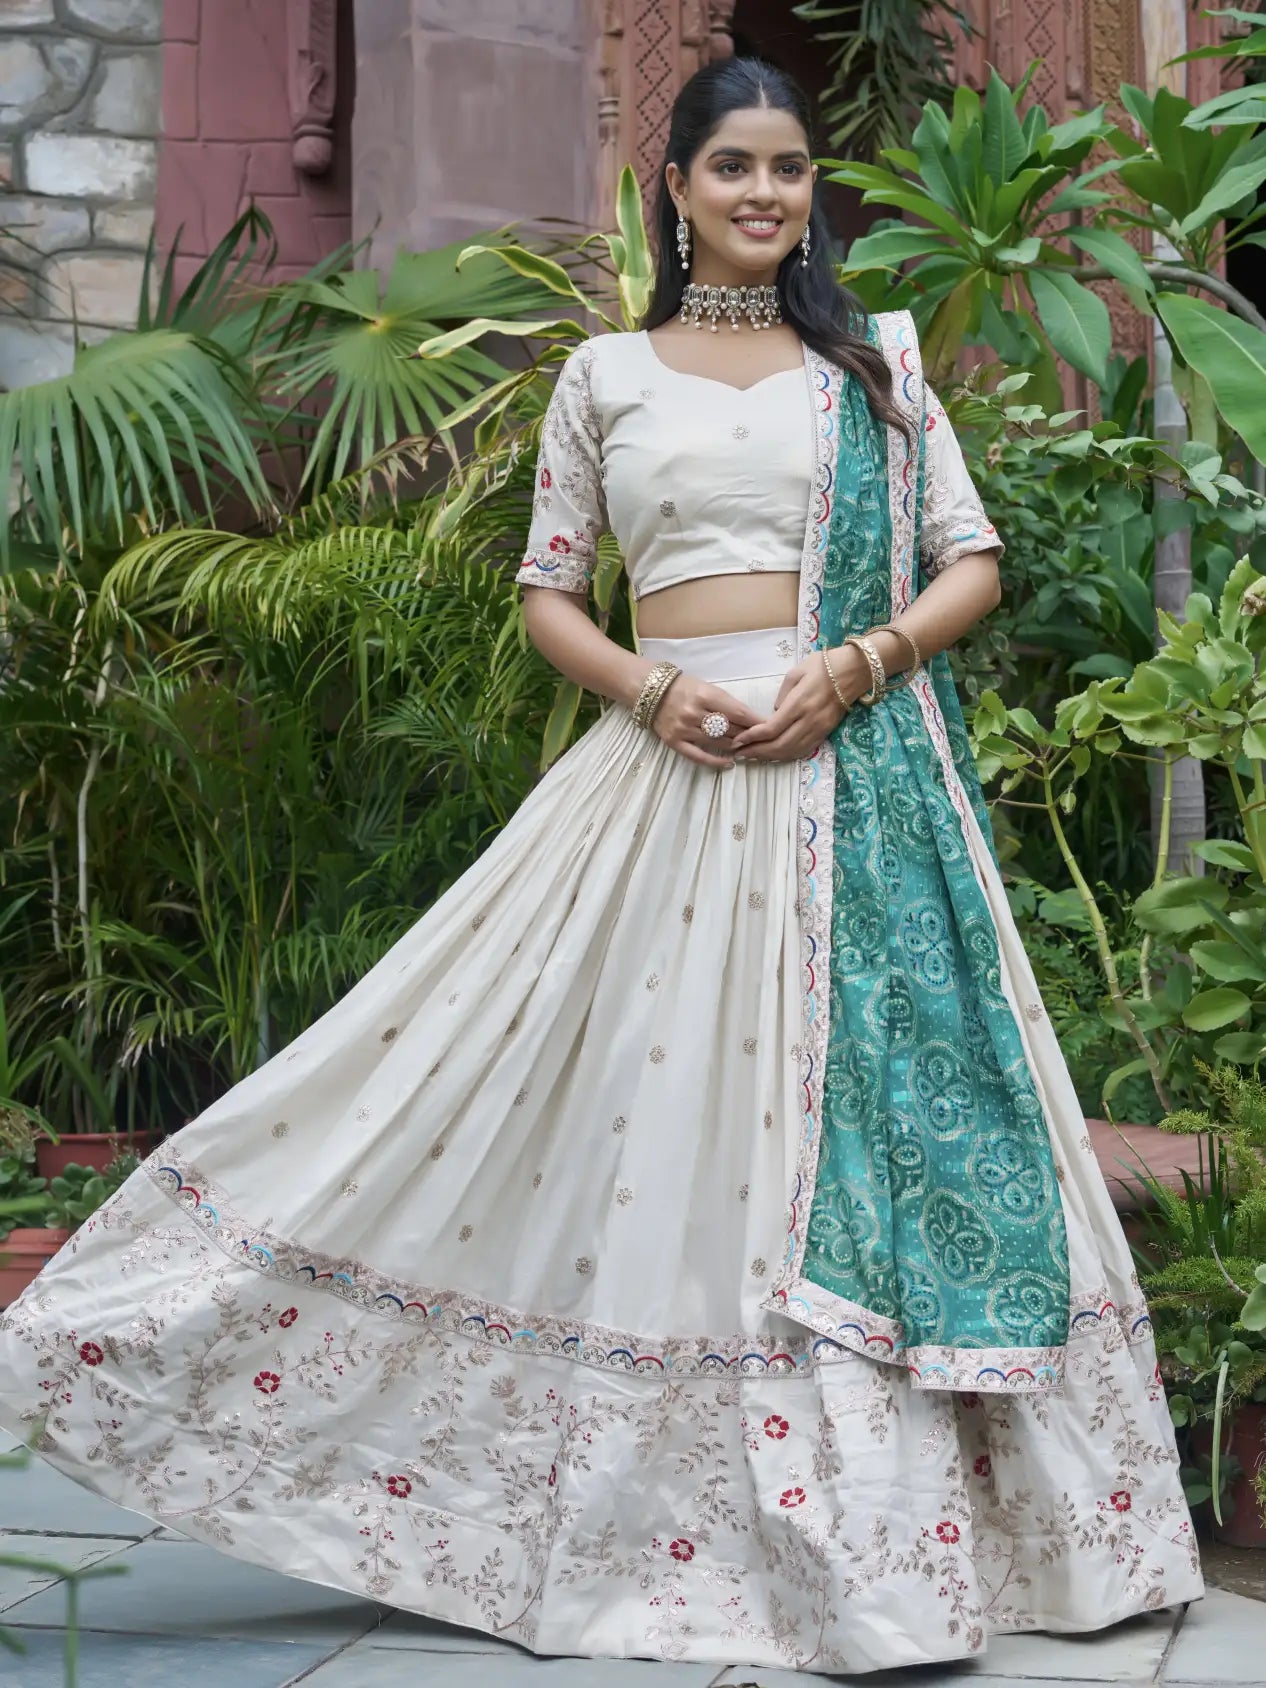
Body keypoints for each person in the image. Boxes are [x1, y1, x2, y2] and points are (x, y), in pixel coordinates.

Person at [0, 55, 1202, 1677]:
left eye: (788, 170)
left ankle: (904, 1535)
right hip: (663, 770)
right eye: (733, 170)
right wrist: (653, 689)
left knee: (848, 1136)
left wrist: (843, 675)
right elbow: (551, 591)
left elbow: (965, 562)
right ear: (678, 187)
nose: (765, 196)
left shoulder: (875, 371)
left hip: (855, 782)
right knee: (542, 1093)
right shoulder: (602, 375)